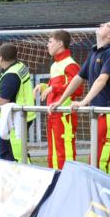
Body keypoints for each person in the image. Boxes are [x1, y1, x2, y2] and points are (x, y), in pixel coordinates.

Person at [56, 20, 110, 178]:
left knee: (99, 156)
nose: (101, 25)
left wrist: (83, 102)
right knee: (108, 154)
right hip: (100, 112)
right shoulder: (94, 52)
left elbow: (102, 80)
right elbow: (78, 78)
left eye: (106, 25)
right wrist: (60, 101)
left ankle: (100, 187)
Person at [34, 30, 83, 169]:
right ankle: (55, 178)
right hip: (54, 113)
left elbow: (78, 89)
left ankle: (67, 179)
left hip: (65, 115)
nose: (47, 45)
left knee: (64, 151)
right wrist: (44, 87)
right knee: (53, 152)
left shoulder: (70, 64)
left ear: (60, 44)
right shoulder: (55, 65)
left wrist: (53, 88)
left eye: (50, 42)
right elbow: (57, 87)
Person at [0, 43, 35, 162]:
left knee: (15, 154)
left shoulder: (11, 74)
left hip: (16, 119)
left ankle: (24, 171)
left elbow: (3, 99)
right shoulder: (19, 66)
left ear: (1, 58)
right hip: (20, 116)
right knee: (10, 151)